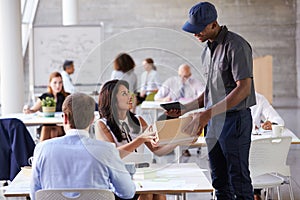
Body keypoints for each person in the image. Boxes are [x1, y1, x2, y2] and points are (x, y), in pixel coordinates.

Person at [177, 2, 256, 199]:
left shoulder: (236, 46)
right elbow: (211, 91)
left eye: (199, 29)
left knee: (238, 179)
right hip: (213, 123)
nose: (195, 34)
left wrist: (207, 114)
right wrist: (185, 108)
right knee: (219, 181)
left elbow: (243, 88)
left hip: (234, 121)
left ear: (214, 24)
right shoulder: (207, 50)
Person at [30, 93, 135, 200]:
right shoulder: (107, 150)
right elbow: (127, 192)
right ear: (92, 119)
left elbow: (35, 195)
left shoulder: (42, 149)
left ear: (65, 118)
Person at [95, 79, 177, 200]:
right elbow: (113, 155)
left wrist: (179, 137)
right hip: (118, 182)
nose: (130, 96)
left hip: (140, 176)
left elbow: (158, 149)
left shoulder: (139, 120)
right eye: (124, 94)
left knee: (159, 193)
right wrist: (140, 139)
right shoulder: (101, 125)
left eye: (129, 93)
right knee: (147, 195)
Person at [251, 92, 284, 200]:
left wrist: (272, 123)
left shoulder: (258, 98)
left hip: (255, 153)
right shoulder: (224, 98)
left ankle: (255, 192)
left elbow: (278, 120)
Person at [23, 72, 69, 141]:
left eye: (60, 83)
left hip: (61, 126)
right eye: (55, 83)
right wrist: (27, 110)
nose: (58, 85)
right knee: (49, 128)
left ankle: (40, 149)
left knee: (51, 129)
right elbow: (33, 110)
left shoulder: (66, 97)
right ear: (50, 83)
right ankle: (42, 149)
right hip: (47, 125)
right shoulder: (44, 97)